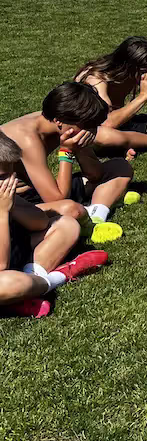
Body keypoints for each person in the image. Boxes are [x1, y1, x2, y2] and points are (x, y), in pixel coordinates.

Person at [0, 134, 108, 320]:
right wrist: (2, 214)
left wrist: (13, 206)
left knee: (66, 225)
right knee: (10, 284)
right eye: (3, 176)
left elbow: (41, 222)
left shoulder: (6, 194)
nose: (12, 181)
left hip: (15, 253)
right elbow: (1, 265)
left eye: (12, 174)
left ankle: (25, 293)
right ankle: (58, 277)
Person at [1, 82, 133, 225]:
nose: (90, 132)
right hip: (14, 201)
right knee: (71, 209)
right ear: (59, 121)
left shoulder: (62, 122)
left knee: (121, 167)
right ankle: (90, 213)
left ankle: (96, 213)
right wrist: (67, 151)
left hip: (41, 192)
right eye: (87, 126)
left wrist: (80, 148)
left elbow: (96, 174)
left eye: (93, 126)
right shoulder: (28, 139)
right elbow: (57, 200)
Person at [74, 36, 147, 153]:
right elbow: (106, 123)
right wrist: (143, 96)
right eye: (145, 71)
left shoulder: (133, 75)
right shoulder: (97, 79)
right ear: (130, 67)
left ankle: (142, 143)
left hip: (123, 127)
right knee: (104, 135)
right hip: (95, 133)